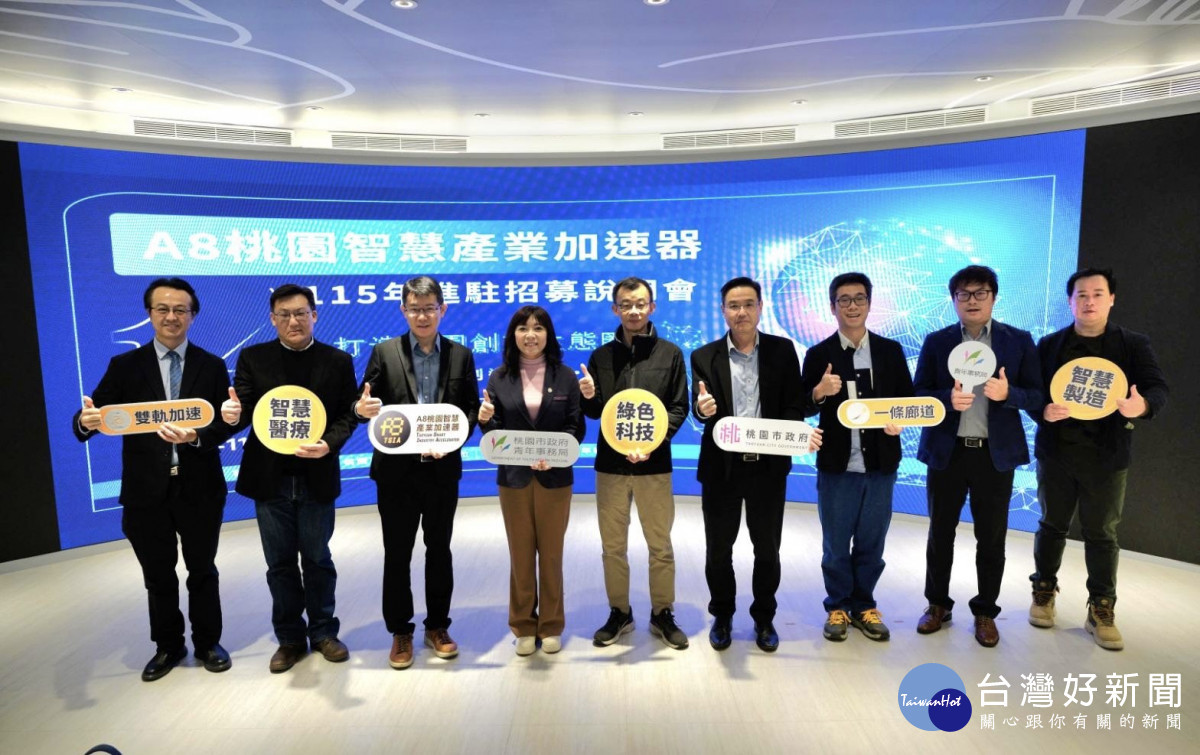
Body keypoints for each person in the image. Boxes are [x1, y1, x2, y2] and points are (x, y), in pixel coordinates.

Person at [73, 278, 234, 681]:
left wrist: (198, 435)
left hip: (199, 487)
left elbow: (226, 423)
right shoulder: (125, 366)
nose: (171, 317)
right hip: (146, 491)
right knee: (158, 575)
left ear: (193, 316)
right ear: (149, 314)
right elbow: (94, 417)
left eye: (180, 309)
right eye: (163, 308)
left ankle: (208, 643)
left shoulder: (212, 365)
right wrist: (85, 421)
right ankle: (168, 645)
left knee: (203, 570)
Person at [221, 283, 359, 673]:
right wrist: (232, 415)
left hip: (317, 474)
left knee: (318, 559)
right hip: (270, 479)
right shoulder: (254, 358)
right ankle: (290, 639)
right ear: (272, 319)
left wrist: (329, 444)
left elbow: (347, 415)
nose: (293, 321)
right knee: (279, 564)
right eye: (284, 315)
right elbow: (245, 411)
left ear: (315, 315)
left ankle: (324, 633)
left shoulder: (337, 360)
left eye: (300, 313)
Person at [1029, 268, 1168, 650]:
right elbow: (1033, 393)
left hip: (1107, 457)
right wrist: (1042, 410)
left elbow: (1157, 388)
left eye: (1097, 294)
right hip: (1057, 453)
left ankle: (1102, 607)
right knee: (1051, 525)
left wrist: (1142, 406)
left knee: (1102, 533)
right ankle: (1043, 591)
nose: (1089, 301)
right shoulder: (1050, 344)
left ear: (1111, 299)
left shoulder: (1133, 344)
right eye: (1081, 295)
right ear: (1070, 301)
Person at [913, 265, 1043, 648]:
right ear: (953, 300)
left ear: (994, 297)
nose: (972, 300)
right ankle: (937, 604)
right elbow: (918, 394)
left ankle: (985, 611)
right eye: (964, 294)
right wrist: (945, 399)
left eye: (980, 293)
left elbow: (1038, 395)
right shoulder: (937, 342)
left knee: (991, 538)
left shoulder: (1018, 341)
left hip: (993, 457)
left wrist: (1009, 395)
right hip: (947, 453)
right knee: (940, 534)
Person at [355, 276, 480, 669]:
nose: (422, 316)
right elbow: (366, 404)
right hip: (396, 474)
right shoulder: (384, 352)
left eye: (429, 309)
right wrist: (361, 409)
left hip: (442, 470)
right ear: (403, 311)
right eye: (414, 309)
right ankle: (401, 632)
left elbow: (471, 409)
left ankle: (438, 626)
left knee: (439, 551)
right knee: (397, 554)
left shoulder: (461, 355)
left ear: (443, 309)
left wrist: (453, 441)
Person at [691, 277, 817, 653]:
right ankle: (723, 615)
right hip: (722, 469)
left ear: (760, 307)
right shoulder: (704, 356)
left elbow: (793, 403)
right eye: (734, 305)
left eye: (748, 304)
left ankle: (764, 618)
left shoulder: (782, 350)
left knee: (767, 549)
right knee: (719, 549)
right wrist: (702, 409)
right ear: (723, 311)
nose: (741, 312)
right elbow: (700, 408)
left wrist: (797, 432)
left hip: (767, 468)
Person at [800, 272, 913, 643]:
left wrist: (899, 421)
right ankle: (837, 605)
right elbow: (802, 405)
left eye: (859, 298)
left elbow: (907, 401)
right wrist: (819, 391)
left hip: (880, 466)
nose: (852, 306)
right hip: (837, 467)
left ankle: (864, 605)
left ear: (869, 303)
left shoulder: (890, 351)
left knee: (872, 543)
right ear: (832, 307)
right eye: (844, 300)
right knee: (835, 544)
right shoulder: (819, 354)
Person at [579, 276, 690, 650]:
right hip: (611, 466)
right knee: (613, 546)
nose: (634, 311)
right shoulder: (601, 357)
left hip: (654, 465)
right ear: (615, 309)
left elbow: (678, 407)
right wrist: (588, 396)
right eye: (626, 304)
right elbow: (596, 412)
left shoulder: (670, 354)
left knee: (660, 544)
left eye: (640, 304)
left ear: (652, 307)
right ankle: (619, 612)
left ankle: (663, 613)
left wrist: (653, 442)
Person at [477, 306, 585, 656]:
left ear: (548, 335)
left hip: (556, 477)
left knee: (551, 554)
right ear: (513, 335)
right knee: (521, 554)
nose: (530, 335)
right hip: (514, 478)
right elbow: (494, 432)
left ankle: (551, 625)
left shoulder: (565, 376)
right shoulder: (499, 377)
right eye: (523, 328)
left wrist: (554, 455)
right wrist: (484, 419)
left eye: (538, 328)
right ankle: (523, 625)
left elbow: (575, 427)